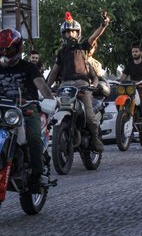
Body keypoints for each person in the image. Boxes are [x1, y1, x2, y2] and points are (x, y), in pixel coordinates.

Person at [0, 29, 54, 193]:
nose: (5, 53)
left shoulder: (30, 68)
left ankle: (37, 177)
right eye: (1, 49)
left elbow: (41, 85)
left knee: (33, 138)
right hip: (4, 109)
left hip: (27, 108)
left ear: (18, 48)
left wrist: (50, 99)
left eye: (8, 49)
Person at [46, 11, 111, 152]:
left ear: (78, 33)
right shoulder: (62, 52)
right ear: (63, 34)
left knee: (89, 115)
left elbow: (94, 36)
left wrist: (103, 24)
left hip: (83, 87)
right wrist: (46, 87)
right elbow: (54, 72)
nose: (70, 34)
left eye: (73, 32)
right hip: (65, 87)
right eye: (67, 32)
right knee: (55, 111)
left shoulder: (83, 48)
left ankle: (95, 139)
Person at [119, 42, 142, 125]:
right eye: (133, 52)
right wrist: (119, 82)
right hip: (132, 89)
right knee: (123, 101)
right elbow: (122, 78)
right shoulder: (130, 65)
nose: (134, 53)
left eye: (136, 51)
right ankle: (125, 118)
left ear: (141, 53)